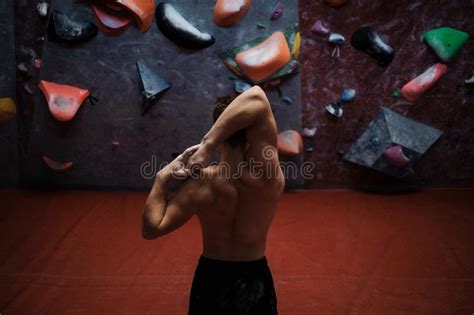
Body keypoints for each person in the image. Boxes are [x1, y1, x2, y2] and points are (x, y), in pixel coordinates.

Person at [141, 86, 284, 314]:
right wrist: (209, 143)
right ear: (252, 133)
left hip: (211, 280)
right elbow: (257, 97)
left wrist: (161, 178)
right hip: (254, 280)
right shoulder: (267, 180)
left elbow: (152, 228)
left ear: (219, 132)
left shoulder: (201, 183)